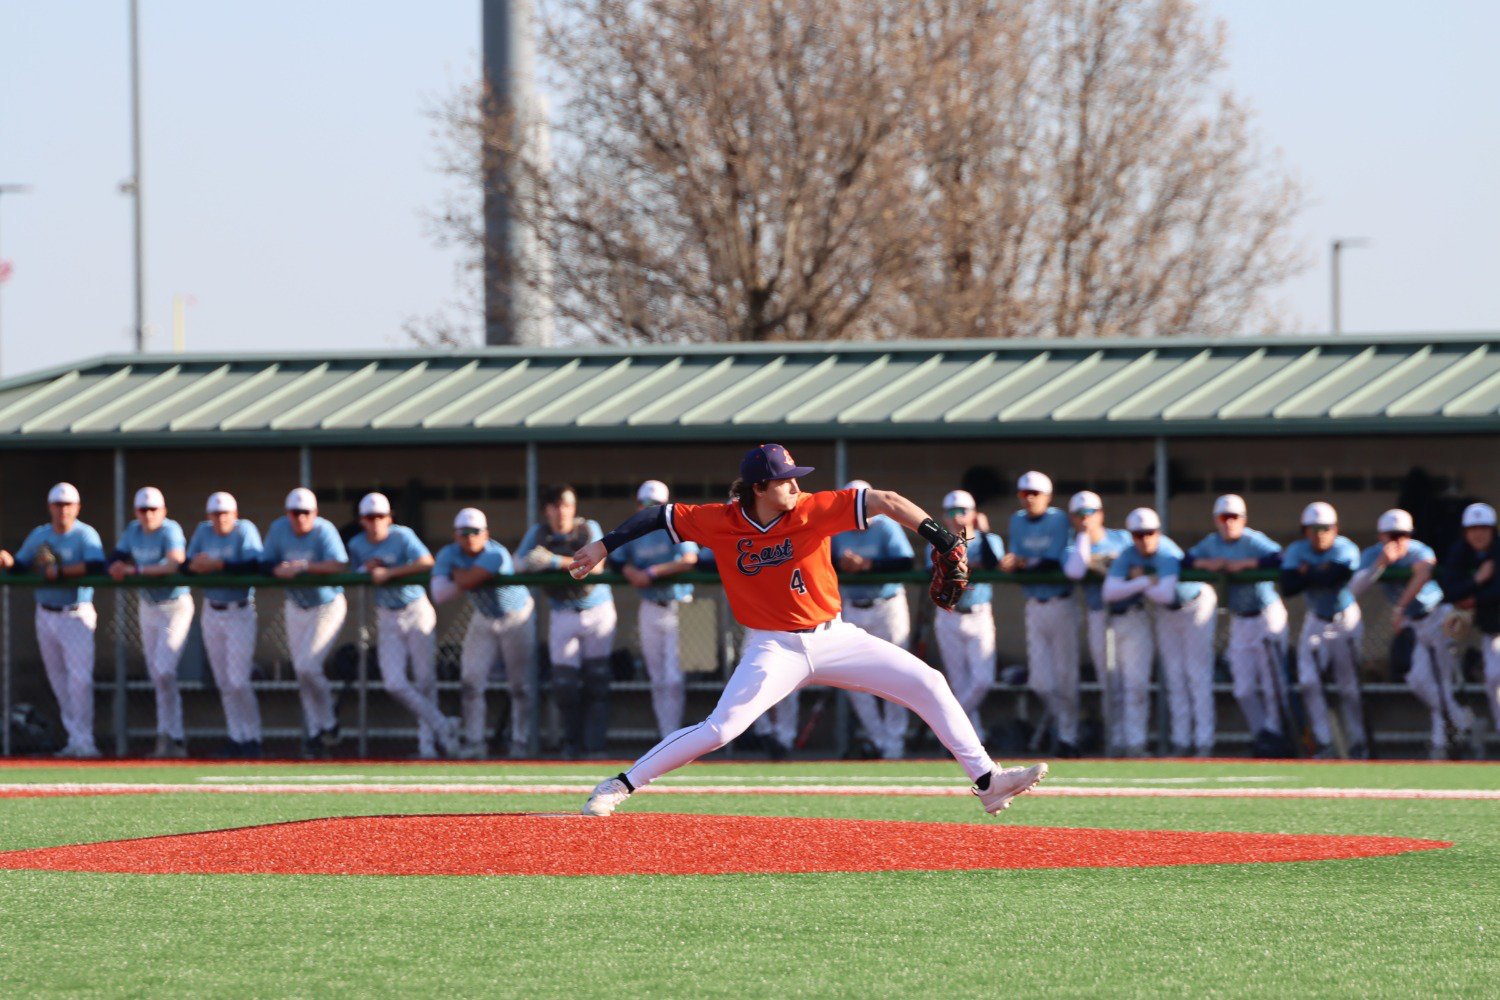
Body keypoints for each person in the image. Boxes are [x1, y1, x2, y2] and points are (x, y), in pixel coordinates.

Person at [574, 443, 1047, 817]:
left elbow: (886, 500)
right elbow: (659, 515)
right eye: (786, 481)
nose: (796, 488)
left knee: (929, 682)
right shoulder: (720, 521)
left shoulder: (812, 509)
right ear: (760, 487)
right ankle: (619, 784)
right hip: (772, 648)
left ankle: (987, 781)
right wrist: (603, 544)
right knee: (719, 729)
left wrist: (941, 537)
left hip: (836, 637)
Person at [1352, 509, 1473, 760]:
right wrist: (1380, 564)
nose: (1398, 541)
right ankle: (1461, 721)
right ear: (1381, 536)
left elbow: (1423, 573)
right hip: (1415, 625)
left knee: (1440, 682)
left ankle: (1442, 743)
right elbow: (1354, 589)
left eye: (1403, 535)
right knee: (1418, 679)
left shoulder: (1419, 549)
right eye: (1392, 535)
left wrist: (1400, 608)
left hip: (1438, 617)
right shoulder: (1374, 554)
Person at [347, 492, 460, 759]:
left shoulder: (402, 536)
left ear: (389, 517)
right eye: (370, 517)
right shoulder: (357, 543)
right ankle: (443, 725)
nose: (375, 522)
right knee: (394, 682)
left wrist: (390, 572)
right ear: (362, 520)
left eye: (380, 517)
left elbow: (426, 562)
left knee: (425, 680)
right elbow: (353, 571)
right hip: (386, 614)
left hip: (415, 608)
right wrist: (367, 568)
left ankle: (427, 746)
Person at [0, 483, 106, 758]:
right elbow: (22, 564)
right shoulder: (41, 535)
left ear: (77, 507)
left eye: (68, 505)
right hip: (46, 613)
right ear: (50, 507)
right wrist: (8, 561)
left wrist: (60, 571)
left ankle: (85, 742)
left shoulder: (85, 534)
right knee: (58, 680)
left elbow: (97, 565)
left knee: (79, 680)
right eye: (59, 505)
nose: (63, 510)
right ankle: (75, 739)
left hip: (75, 612)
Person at [1105, 508, 1217, 756]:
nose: (1145, 539)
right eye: (1138, 534)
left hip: (1195, 605)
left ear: (1158, 532)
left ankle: (1204, 743)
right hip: (1166, 612)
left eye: (1150, 533)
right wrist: (1146, 580)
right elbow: (1109, 591)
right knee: (1175, 677)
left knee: (1197, 676)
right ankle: (1182, 742)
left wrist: (1136, 580)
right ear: (1131, 535)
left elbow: (1165, 592)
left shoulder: (1166, 551)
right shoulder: (1128, 553)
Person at [1184, 494, 1288, 756]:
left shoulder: (1252, 539)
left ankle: (1277, 736)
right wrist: (1208, 564)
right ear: (1216, 520)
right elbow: (1184, 561)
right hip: (1240, 618)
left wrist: (1248, 564)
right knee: (1242, 689)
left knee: (1271, 682)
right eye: (1224, 518)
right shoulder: (1212, 543)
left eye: (1234, 517)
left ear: (1243, 519)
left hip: (1266, 613)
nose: (1229, 523)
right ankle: (1261, 735)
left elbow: (1280, 558)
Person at [518, 486, 617, 758]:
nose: (561, 511)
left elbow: (595, 566)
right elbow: (517, 563)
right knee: (564, 685)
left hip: (597, 611)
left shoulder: (588, 529)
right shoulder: (539, 533)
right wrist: (530, 562)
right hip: (562, 611)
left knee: (597, 680)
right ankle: (571, 745)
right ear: (547, 509)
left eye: (566, 505)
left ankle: (595, 747)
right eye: (556, 506)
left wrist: (553, 561)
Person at [431, 508, 537, 759]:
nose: (470, 537)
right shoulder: (449, 552)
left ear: (485, 533)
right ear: (456, 535)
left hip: (516, 616)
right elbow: (439, 594)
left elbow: (466, 582)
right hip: (484, 616)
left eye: (475, 532)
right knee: (470, 682)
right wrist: (465, 578)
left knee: (520, 686)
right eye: (464, 532)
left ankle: (521, 741)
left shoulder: (496, 553)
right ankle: (475, 742)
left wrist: (460, 576)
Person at [830, 478, 916, 759]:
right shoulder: (836, 529)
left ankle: (895, 741)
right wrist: (842, 565)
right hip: (852, 605)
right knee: (853, 678)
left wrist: (867, 565)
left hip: (886, 605)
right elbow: (823, 562)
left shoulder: (884, 524)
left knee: (896, 672)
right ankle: (878, 739)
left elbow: (905, 562)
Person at [260, 487, 349, 756]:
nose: (300, 518)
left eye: (305, 513)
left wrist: (303, 568)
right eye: (295, 513)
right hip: (296, 605)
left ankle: (329, 721)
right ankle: (316, 732)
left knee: (308, 665)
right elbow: (264, 563)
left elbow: (338, 564)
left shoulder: (324, 531)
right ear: (288, 514)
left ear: (315, 513)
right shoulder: (279, 529)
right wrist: (278, 570)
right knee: (301, 672)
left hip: (326, 605)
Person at [609, 480, 699, 739]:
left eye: (657, 505)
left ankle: (675, 737)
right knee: (658, 679)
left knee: (674, 679)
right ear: (638, 506)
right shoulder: (632, 531)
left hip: (683, 606)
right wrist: (630, 572)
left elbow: (690, 559)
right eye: (645, 504)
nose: (650, 509)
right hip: (650, 606)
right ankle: (666, 737)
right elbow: (616, 560)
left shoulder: (676, 526)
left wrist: (651, 572)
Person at [108, 487, 193, 758]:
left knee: (164, 671)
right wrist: (115, 567)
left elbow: (174, 564)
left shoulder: (170, 530)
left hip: (174, 606)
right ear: (136, 512)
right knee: (158, 675)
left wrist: (134, 570)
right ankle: (168, 737)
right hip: (148, 606)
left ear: (163, 511)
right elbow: (115, 558)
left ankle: (173, 736)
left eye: (154, 509)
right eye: (144, 510)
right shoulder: (133, 530)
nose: (148, 515)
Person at [1002, 471, 1080, 755]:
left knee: (1065, 677)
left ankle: (1069, 738)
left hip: (1061, 603)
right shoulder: (1017, 521)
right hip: (1034, 604)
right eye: (1025, 493)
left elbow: (1052, 561)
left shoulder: (1058, 519)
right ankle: (1066, 725)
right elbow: (1018, 560)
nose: (1030, 498)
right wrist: (1013, 563)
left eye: (1035, 493)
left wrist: (1023, 562)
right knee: (1041, 682)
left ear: (1047, 496)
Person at [1281, 501, 1366, 759]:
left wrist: (1308, 573)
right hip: (1316, 619)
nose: (1320, 534)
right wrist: (1317, 573)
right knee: (1307, 681)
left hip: (1345, 619)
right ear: (1305, 531)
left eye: (1325, 528)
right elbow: (1288, 586)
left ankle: (1357, 740)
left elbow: (1336, 577)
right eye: (1313, 528)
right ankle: (1324, 741)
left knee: (1348, 686)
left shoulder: (1345, 547)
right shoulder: (1297, 549)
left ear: (1335, 529)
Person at [185, 491, 265, 757]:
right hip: (212, 609)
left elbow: (254, 564)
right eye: (216, 514)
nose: (220, 519)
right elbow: (187, 564)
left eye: (225, 514)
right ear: (209, 516)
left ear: (235, 514)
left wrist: (217, 564)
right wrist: (198, 565)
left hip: (239, 610)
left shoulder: (245, 531)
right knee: (223, 680)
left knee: (238, 680)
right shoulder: (203, 532)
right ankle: (236, 736)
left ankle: (253, 737)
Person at [928, 489, 1004, 736]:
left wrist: (983, 532)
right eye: (952, 512)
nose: (958, 516)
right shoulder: (939, 541)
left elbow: (996, 564)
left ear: (974, 514)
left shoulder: (987, 540)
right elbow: (940, 569)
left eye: (963, 511)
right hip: (950, 614)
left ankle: (947, 725)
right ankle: (971, 738)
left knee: (983, 680)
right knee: (959, 682)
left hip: (979, 613)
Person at [1062, 491, 1133, 755]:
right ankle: (1116, 743)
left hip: (1130, 615)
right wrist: (1085, 542)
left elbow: (1132, 563)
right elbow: (1076, 570)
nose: (1085, 519)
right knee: (1109, 683)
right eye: (1080, 515)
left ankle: (1134, 743)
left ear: (1100, 514)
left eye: (1090, 513)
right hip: (1098, 615)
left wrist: (1107, 563)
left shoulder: (1121, 538)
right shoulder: (1072, 544)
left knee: (1133, 684)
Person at [1439, 502, 1500, 744]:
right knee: (1493, 681)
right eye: (1473, 528)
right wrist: (1476, 580)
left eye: (1484, 528)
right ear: (1465, 531)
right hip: (1491, 630)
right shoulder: (1460, 551)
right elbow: (1449, 589)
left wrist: (1474, 598)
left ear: (1493, 530)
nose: (1478, 533)